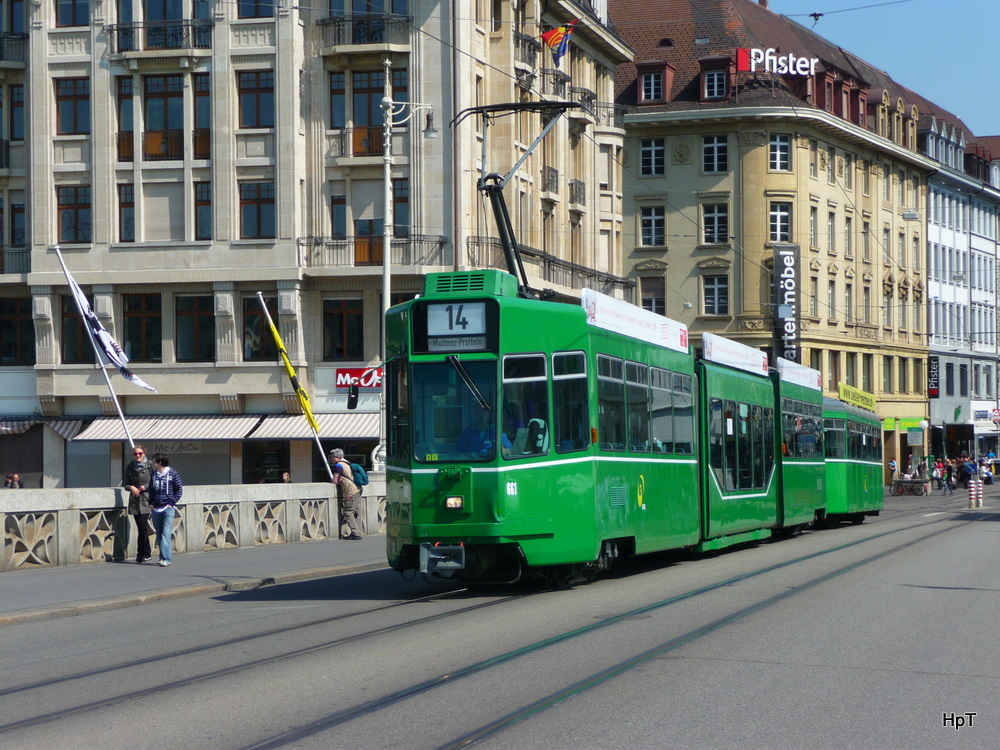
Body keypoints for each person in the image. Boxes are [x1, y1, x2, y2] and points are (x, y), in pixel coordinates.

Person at [148, 452, 183, 567]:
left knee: (165, 533)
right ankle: (162, 556)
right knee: (158, 533)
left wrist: (172, 502)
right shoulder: (154, 475)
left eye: (154, 462)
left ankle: (166, 559)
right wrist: (150, 503)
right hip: (156, 507)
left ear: (160, 463)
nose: (153, 463)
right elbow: (151, 490)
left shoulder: (173, 474)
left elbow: (179, 490)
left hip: (167, 507)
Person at [123, 445, 153, 564]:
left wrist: (144, 487)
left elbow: (155, 481)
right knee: (140, 527)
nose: (138, 455)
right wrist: (131, 487)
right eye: (135, 454)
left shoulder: (150, 465)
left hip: (146, 500)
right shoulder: (130, 466)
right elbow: (125, 484)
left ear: (144, 453)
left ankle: (142, 553)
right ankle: (146, 552)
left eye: (140, 453)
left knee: (142, 527)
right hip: (135, 501)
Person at [330, 448, 362, 540]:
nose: (331, 459)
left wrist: (338, 481)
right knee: (357, 512)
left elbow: (334, 480)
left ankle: (355, 533)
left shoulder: (339, 466)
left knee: (348, 512)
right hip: (358, 489)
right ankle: (358, 531)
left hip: (351, 491)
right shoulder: (347, 462)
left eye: (332, 457)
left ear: (337, 457)